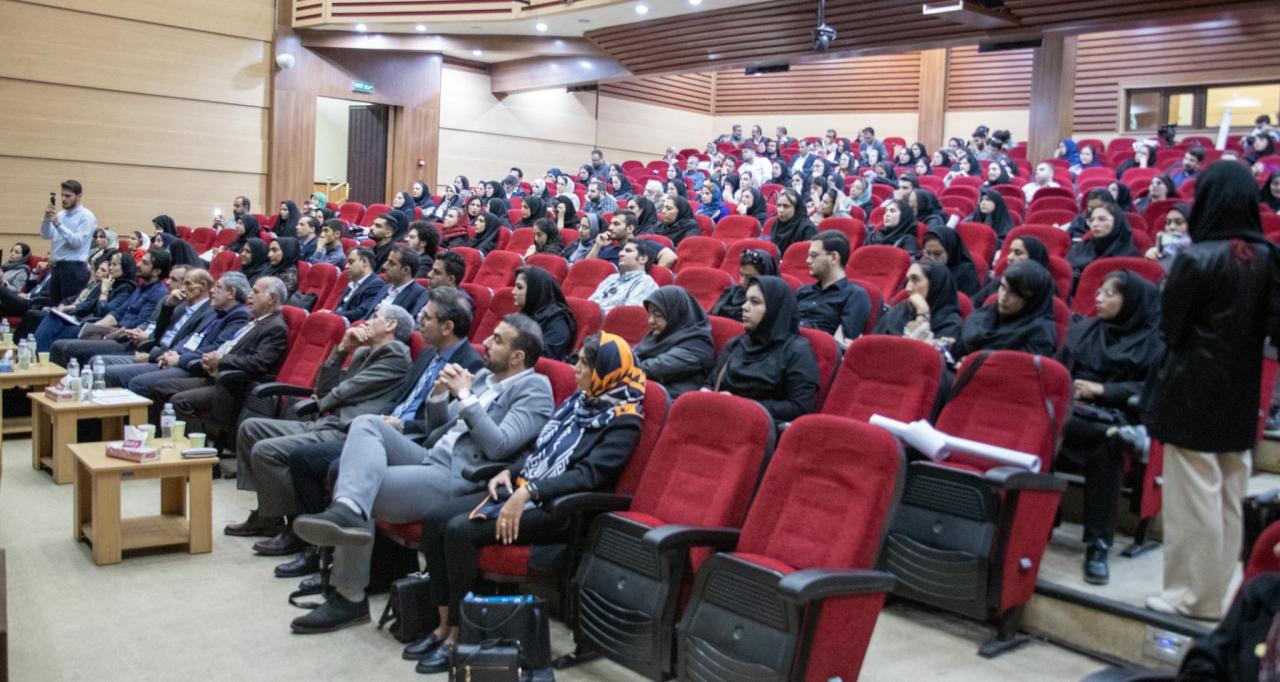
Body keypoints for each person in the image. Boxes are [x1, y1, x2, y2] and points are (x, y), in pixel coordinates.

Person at [288, 314, 555, 634]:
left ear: (517, 357)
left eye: (497, 340)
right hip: (431, 455)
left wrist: (465, 396)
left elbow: (498, 446)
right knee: (366, 424)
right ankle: (347, 512)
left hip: (460, 476)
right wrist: (440, 394)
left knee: (360, 489)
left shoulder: (535, 389)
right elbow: (437, 427)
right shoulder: (486, 377)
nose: (485, 342)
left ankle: (349, 596)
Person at [410, 332, 644, 672]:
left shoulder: (625, 419)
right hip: (527, 490)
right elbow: (541, 451)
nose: (576, 368)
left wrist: (530, 490)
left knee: (460, 531)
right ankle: (442, 625)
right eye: (578, 360)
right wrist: (510, 472)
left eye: (584, 364)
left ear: (605, 371)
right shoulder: (579, 402)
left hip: (560, 510)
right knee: (435, 519)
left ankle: (460, 637)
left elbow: (588, 476)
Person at [1140, 162, 1280, 621]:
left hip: (1191, 391)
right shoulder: (1268, 256)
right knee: (1229, 497)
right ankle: (1215, 593)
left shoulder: (1196, 258)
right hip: (1243, 391)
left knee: (1192, 500)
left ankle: (1190, 596)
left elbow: (1172, 330)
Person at [230, 304, 415, 555]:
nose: (367, 322)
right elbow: (325, 388)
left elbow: (346, 390)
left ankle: (294, 528)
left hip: (350, 429)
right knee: (250, 428)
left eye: (375, 317)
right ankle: (268, 514)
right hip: (330, 421)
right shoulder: (363, 353)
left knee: (266, 450)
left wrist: (320, 403)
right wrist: (342, 349)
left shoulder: (396, 354)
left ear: (391, 325)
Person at [1055, 271, 1163, 585]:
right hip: (1075, 414)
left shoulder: (1156, 343)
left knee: (1108, 443)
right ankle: (1039, 514)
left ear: (1132, 302)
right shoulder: (1083, 330)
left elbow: (1153, 390)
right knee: (1046, 422)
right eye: (1098, 292)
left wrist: (1103, 391)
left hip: (1121, 415)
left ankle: (1099, 544)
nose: (1098, 299)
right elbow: (1058, 371)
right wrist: (1069, 389)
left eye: (1109, 294)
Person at [153, 277, 291, 451]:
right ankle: (164, 444)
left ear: (271, 298)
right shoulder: (255, 320)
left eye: (255, 292)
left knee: (180, 402)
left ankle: (203, 457)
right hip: (216, 376)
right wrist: (211, 358)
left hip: (233, 386)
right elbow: (231, 347)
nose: (249, 295)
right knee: (159, 387)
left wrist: (220, 361)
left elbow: (258, 363)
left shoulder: (275, 327)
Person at [110, 273, 252, 396]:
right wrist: (173, 353)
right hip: (175, 357)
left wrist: (179, 358)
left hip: (194, 366)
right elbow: (190, 337)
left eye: (218, 287)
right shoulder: (217, 311)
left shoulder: (239, 315)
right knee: (113, 372)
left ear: (231, 293)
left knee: (137, 382)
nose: (212, 290)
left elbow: (217, 348)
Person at [704, 276, 819, 423]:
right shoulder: (735, 344)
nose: (744, 307)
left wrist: (742, 405)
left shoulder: (798, 351)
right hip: (719, 419)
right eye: (746, 300)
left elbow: (800, 407)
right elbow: (711, 384)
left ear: (774, 309)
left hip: (760, 427)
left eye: (755, 302)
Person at [53, 265, 203, 369]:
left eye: (174, 280)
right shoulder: (164, 299)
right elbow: (146, 322)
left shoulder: (169, 299)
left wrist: (143, 336)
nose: (168, 283)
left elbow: (168, 338)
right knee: (60, 342)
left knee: (87, 357)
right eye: (169, 278)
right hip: (129, 337)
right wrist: (135, 331)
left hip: (144, 347)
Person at [37, 249, 169, 352]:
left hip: (121, 338)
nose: (138, 264)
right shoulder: (141, 288)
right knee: (53, 319)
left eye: (144, 263)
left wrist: (104, 334)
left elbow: (136, 326)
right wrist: (94, 328)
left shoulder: (154, 293)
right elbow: (117, 313)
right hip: (105, 328)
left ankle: (41, 364)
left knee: (62, 342)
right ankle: (38, 361)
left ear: (156, 271)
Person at [953, 259, 1057, 359]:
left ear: (1032, 300)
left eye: (1013, 293)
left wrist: (973, 365)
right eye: (1002, 287)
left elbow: (1017, 368)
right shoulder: (984, 314)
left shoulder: (1040, 334)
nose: (1003, 297)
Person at [634, 286, 715, 398]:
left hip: (671, 401)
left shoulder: (698, 346)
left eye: (658, 315)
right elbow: (632, 356)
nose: (650, 321)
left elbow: (653, 369)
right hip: (643, 394)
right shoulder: (661, 334)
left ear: (676, 313)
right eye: (649, 314)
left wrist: (621, 365)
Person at [795, 231, 871, 340]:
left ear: (833, 258)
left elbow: (843, 343)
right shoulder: (803, 291)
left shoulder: (855, 295)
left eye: (814, 255)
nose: (808, 261)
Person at [873, 260, 963, 342]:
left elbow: (918, 352)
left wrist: (922, 313)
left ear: (935, 284)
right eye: (908, 280)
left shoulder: (950, 323)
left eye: (915, 280)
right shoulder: (900, 310)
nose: (908, 288)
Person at [40, 179, 96, 304]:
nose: (64, 199)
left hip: (74, 269)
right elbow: (45, 235)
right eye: (62, 195)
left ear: (79, 196)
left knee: (67, 309)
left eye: (68, 196)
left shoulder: (87, 216)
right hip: (57, 267)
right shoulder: (60, 215)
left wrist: (58, 224)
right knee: (54, 307)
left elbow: (77, 242)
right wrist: (46, 219)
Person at [1066, 203, 1139, 295]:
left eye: (1102, 219)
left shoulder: (1130, 254)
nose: (1095, 224)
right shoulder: (1080, 248)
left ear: (1117, 222)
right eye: (1091, 220)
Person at [516, 267, 576, 362]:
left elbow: (542, 359)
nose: (513, 292)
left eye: (519, 287)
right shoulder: (527, 313)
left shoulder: (557, 323)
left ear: (535, 290)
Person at [587, 239, 658, 314]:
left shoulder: (645, 281)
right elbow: (590, 302)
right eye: (622, 250)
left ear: (643, 259)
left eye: (628, 251)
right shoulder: (612, 277)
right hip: (589, 315)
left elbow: (629, 314)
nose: (620, 254)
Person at [328, 248, 387, 323]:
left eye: (351, 262)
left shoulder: (375, 284)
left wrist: (333, 314)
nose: (346, 266)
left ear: (364, 262)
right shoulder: (353, 281)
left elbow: (362, 312)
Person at [370, 247, 428, 319]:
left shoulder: (419, 295)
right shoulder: (385, 288)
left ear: (406, 270)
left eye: (391, 263)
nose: (384, 266)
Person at [922, 228, 981, 296]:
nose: (932, 259)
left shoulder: (966, 274)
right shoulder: (923, 267)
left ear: (950, 252)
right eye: (928, 253)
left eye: (937, 254)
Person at [1144, 203, 1192, 274]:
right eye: (1168, 223)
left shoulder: (1200, 251)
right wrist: (1148, 257)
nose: (1172, 227)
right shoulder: (1158, 249)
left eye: (1179, 222)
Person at [770, 189, 817, 258]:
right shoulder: (777, 223)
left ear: (796, 208)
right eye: (779, 205)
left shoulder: (807, 229)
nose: (780, 210)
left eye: (786, 206)